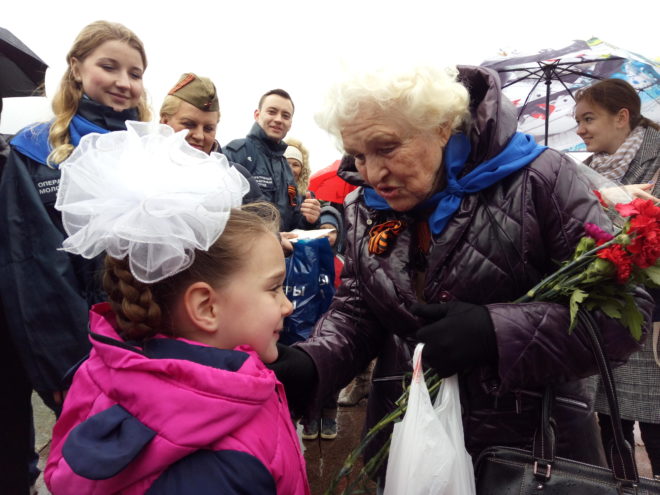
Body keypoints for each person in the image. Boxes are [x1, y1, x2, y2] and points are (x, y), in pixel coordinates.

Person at [268, 64, 653, 485]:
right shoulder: (365, 204)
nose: (373, 173)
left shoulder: (541, 179)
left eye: (387, 148)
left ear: (441, 127)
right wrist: (315, 361)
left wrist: (497, 332)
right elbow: (359, 309)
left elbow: (623, 312)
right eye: (359, 155)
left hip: (529, 457)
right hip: (412, 446)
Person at [44, 122, 309, 494]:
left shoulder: (101, 375)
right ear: (206, 307)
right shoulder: (217, 465)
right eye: (274, 288)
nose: (287, 305)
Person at [0, 21, 150, 495]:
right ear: (77, 68)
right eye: (109, 66)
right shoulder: (35, 150)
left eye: (135, 73)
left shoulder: (152, 150)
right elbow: (34, 266)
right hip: (82, 352)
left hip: (148, 343)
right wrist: (69, 370)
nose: (124, 82)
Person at [574, 78, 660, 478]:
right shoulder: (585, 172)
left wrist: (612, 204)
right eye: (578, 121)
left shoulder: (657, 159)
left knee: (657, 431)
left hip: (652, 321)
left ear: (621, 117)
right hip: (606, 319)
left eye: (589, 119)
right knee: (611, 433)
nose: (580, 129)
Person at [223, 89, 321, 231]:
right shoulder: (234, 154)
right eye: (272, 112)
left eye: (285, 115)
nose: (278, 119)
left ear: (290, 123)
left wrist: (309, 220)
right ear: (257, 115)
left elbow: (292, 224)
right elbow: (220, 218)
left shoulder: (286, 169)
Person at [159, 72, 264, 203]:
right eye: (189, 124)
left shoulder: (236, 178)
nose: (199, 136)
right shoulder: (142, 167)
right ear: (164, 122)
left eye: (208, 128)